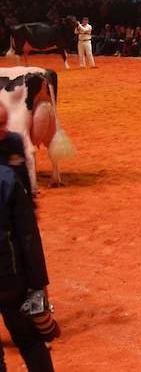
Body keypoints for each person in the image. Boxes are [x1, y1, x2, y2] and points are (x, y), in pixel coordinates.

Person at [0, 106, 56, 372]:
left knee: (29, 340)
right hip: (10, 275)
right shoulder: (6, 180)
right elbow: (27, 237)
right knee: (31, 340)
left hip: (9, 273)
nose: (4, 129)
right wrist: (37, 287)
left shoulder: (12, 143)